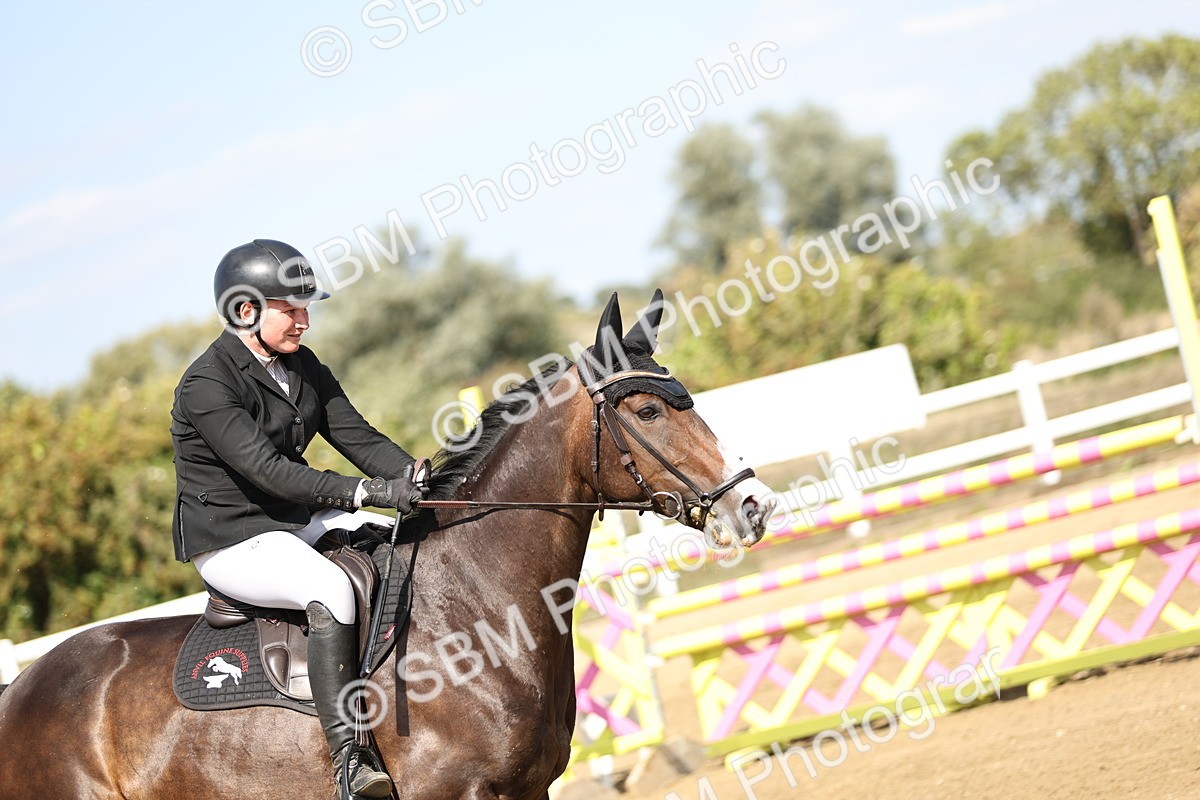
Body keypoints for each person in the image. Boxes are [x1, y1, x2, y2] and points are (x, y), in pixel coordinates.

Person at [171, 238, 420, 798]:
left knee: (395, 547)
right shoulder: (207, 384)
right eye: (292, 308)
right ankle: (350, 758)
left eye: (307, 307)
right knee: (330, 585)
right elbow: (269, 472)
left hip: (292, 522)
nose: (305, 320)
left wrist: (417, 478)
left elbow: (356, 435)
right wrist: (366, 491)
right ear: (246, 311)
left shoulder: (301, 365)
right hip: (234, 539)